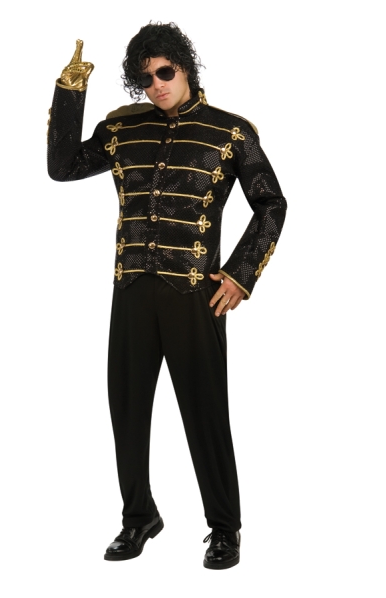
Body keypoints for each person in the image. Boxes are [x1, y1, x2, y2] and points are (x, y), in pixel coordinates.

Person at [47, 23, 287, 570]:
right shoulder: (122, 129)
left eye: (164, 72)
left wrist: (240, 274)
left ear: (185, 67)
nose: (156, 84)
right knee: (127, 409)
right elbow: (62, 168)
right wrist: (70, 91)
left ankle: (224, 528)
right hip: (131, 287)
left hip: (195, 294)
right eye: (145, 78)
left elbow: (272, 204)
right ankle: (139, 517)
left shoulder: (230, 132)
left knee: (206, 413)